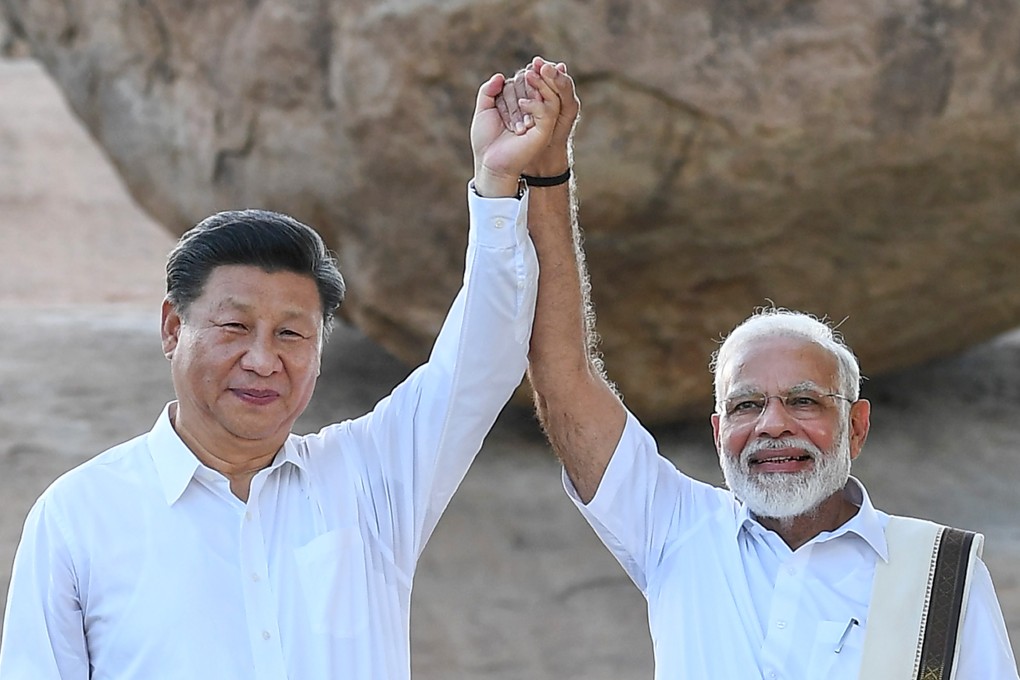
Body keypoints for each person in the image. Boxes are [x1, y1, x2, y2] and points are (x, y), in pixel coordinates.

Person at [0, 62, 564, 679]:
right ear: (171, 328)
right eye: (235, 327)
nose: (264, 360)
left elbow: (482, 359)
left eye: (292, 334)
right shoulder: (80, 515)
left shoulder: (368, 479)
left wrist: (498, 178)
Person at [511, 60, 1020, 678]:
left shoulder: (942, 571)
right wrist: (544, 173)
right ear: (717, 429)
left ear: (857, 426)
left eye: (804, 401)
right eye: (746, 405)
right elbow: (563, 373)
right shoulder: (676, 531)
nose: (773, 425)